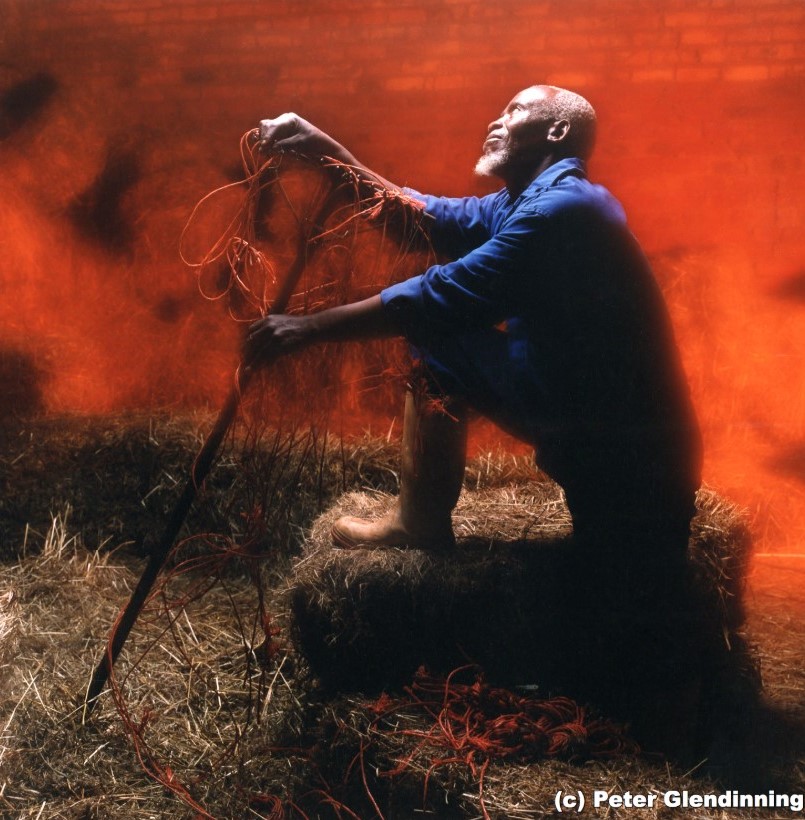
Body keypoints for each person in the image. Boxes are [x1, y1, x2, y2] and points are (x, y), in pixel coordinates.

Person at [246, 85, 702, 565]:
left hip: (634, 465)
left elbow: (439, 295)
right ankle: (419, 521)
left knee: (439, 330)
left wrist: (307, 328)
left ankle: (418, 524)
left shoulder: (563, 211)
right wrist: (325, 149)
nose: (495, 120)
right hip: (590, 433)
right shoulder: (522, 202)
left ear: (557, 130)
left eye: (514, 110)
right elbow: (421, 218)